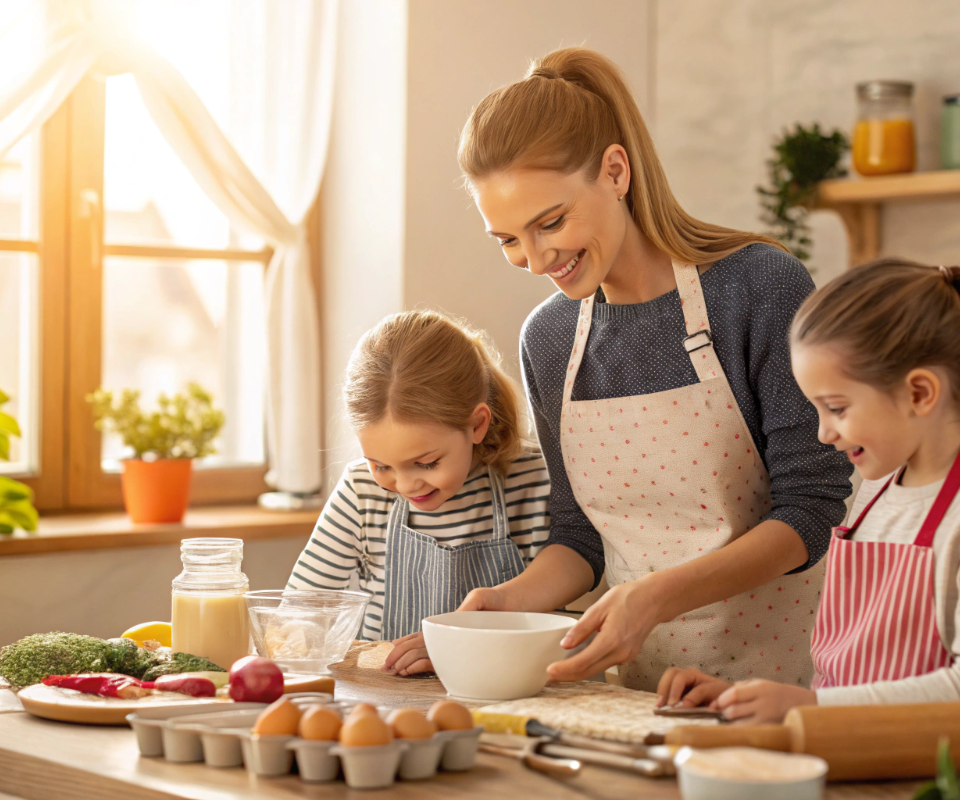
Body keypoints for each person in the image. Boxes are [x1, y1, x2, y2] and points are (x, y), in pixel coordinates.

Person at [450, 46, 854, 691]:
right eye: (507, 239)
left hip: (780, 685)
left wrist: (656, 596)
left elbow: (812, 510)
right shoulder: (550, 339)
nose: (532, 258)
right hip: (635, 689)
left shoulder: (756, 287)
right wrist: (510, 602)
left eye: (549, 221)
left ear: (615, 171)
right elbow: (580, 534)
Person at [656, 260, 960, 721]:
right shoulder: (878, 487)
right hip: (846, 763)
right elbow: (851, 682)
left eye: (836, 407)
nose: (823, 433)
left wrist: (807, 706)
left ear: (919, 393)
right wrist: (738, 697)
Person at [286, 310, 550, 675]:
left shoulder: (533, 480)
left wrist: (459, 647)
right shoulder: (362, 491)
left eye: (426, 464)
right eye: (381, 465)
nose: (406, 486)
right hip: (383, 699)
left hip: (504, 689)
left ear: (477, 424)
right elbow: (301, 610)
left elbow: (554, 628)